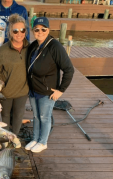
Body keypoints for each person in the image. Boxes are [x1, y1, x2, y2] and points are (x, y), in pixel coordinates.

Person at [25, 17, 74, 153]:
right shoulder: (33, 46)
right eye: (36, 29)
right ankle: (35, 138)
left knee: (44, 117)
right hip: (33, 90)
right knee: (35, 116)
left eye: (43, 29)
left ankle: (43, 141)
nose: (40, 32)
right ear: (33, 30)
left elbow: (69, 69)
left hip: (47, 91)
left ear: (48, 30)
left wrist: (61, 90)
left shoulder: (55, 46)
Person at [0, 14, 29, 135]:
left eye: (22, 30)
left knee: (18, 115)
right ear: (10, 32)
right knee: (5, 115)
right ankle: (6, 138)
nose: (19, 33)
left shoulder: (31, 48)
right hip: (6, 92)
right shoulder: (2, 50)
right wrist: (4, 83)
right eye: (15, 30)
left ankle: (15, 136)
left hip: (23, 91)